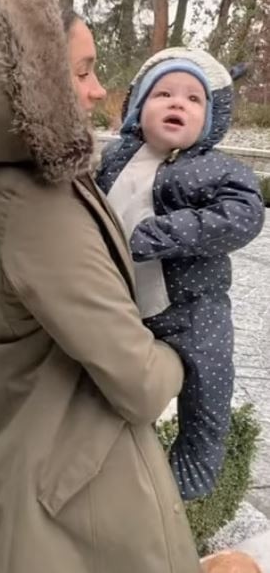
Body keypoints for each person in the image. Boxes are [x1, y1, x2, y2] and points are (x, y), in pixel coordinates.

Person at [0, 0, 202, 573]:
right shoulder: (42, 210)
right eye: (82, 71)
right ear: (27, 91)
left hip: (39, 471)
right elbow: (139, 383)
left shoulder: (6, 178)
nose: (96, 90)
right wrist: (182, 353)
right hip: (69, 514)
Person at [97, 48, 265, 500]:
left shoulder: (213, 168)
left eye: (194, 99)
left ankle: (191, 471)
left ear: (210, 119)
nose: (178, 104)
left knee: (208, 388)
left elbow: (243, 215)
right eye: (164, 93)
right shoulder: (115, 157)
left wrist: (167, 232)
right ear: (137, 108)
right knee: (119, 391)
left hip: (193, 310)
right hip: (121, 305)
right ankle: (119, 462)